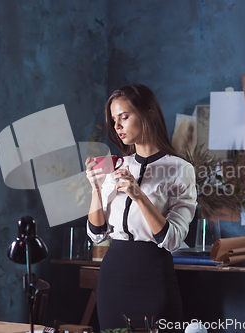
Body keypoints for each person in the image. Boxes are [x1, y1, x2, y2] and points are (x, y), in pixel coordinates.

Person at [85, 84, 197, 331]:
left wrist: (139, 196)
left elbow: (173, 239)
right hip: (113, 276)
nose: (117, 126)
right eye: (114, 120)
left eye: (124, 117)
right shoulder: (115, 165)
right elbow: (96, 233)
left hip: (153, 276)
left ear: (149, 114)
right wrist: (95, 188)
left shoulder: (180, 169)